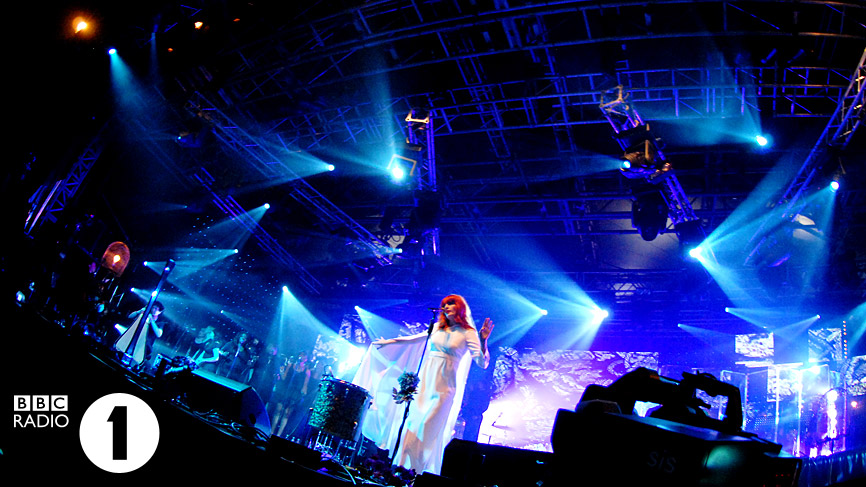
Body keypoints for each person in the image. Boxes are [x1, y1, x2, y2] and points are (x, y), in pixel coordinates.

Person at [369, 294, 494, 475]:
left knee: (427, 428)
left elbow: (482, 363)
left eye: (451, 303)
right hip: (425, 383)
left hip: (445, 387)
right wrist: (386, 342)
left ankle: (415, 472)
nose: (447, 306)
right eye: (445, 304)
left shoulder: (468, 333)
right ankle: (400, 470)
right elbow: (413, 339)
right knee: (412, 425)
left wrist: (483, 340)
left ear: (460, 308)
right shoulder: (436, 328)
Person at [114, 301, 165, 370]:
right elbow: (130, 317)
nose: (154, 310)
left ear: (160, 312)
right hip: (133, 341)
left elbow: (158, 334)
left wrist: (151, 320)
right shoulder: (144, 315)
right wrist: (139, 311)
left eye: (156, 309)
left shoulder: (160, 322)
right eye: (153, 308)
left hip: (145, 347)